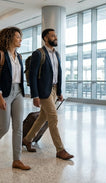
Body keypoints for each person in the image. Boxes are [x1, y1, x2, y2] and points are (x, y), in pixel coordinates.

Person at [0, 26, 31, 170]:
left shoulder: (20, 56)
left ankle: (17, 160)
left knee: (18, 127)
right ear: (9, 38)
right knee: (4, 127)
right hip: (3, 93)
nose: (20, 39)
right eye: (17, 37)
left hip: (18, 93)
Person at [23, 28, 74, 160]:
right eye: (52, 36)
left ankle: (27, 139)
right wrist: (35, 95)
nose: (55, 37)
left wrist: (59, 92)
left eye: (55, 35)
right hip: (43, 91)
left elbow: (59, 73)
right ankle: (60, 150)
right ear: (45, 38)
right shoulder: (38, 54)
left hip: (53, 89)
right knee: (53, 118)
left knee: (42, 118)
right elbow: (33, 76)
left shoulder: (56, 54)